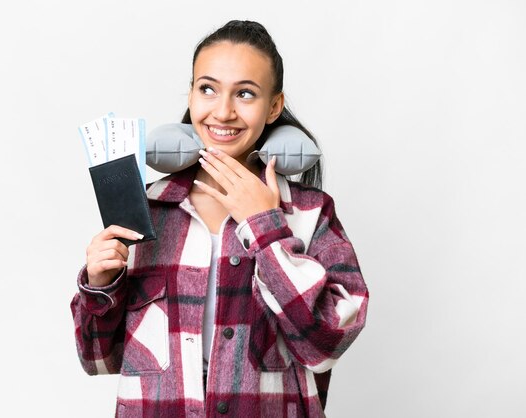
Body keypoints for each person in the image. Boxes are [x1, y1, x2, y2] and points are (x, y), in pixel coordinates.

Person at [71, 20, 369, 418]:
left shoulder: (310, 214)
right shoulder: (145, 212)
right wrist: (101, 286)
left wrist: (265, 227)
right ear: (192, 95)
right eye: (207, 89)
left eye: (245, 93)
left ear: (274, 106)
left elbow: (327, 344)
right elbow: (98, 360)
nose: (223, 112)